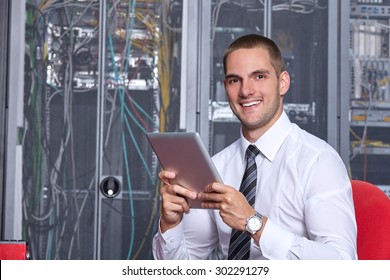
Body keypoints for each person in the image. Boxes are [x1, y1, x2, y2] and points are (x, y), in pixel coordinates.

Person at [152, 34, 357, 260]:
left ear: (283, 83)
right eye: (234, 80)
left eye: (259, 76)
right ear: (225, 87)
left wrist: (254, 223)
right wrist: (170, 224)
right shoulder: (216, 167)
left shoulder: (319, 161)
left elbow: (343, 263)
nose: (246, 91)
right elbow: (181, 269)